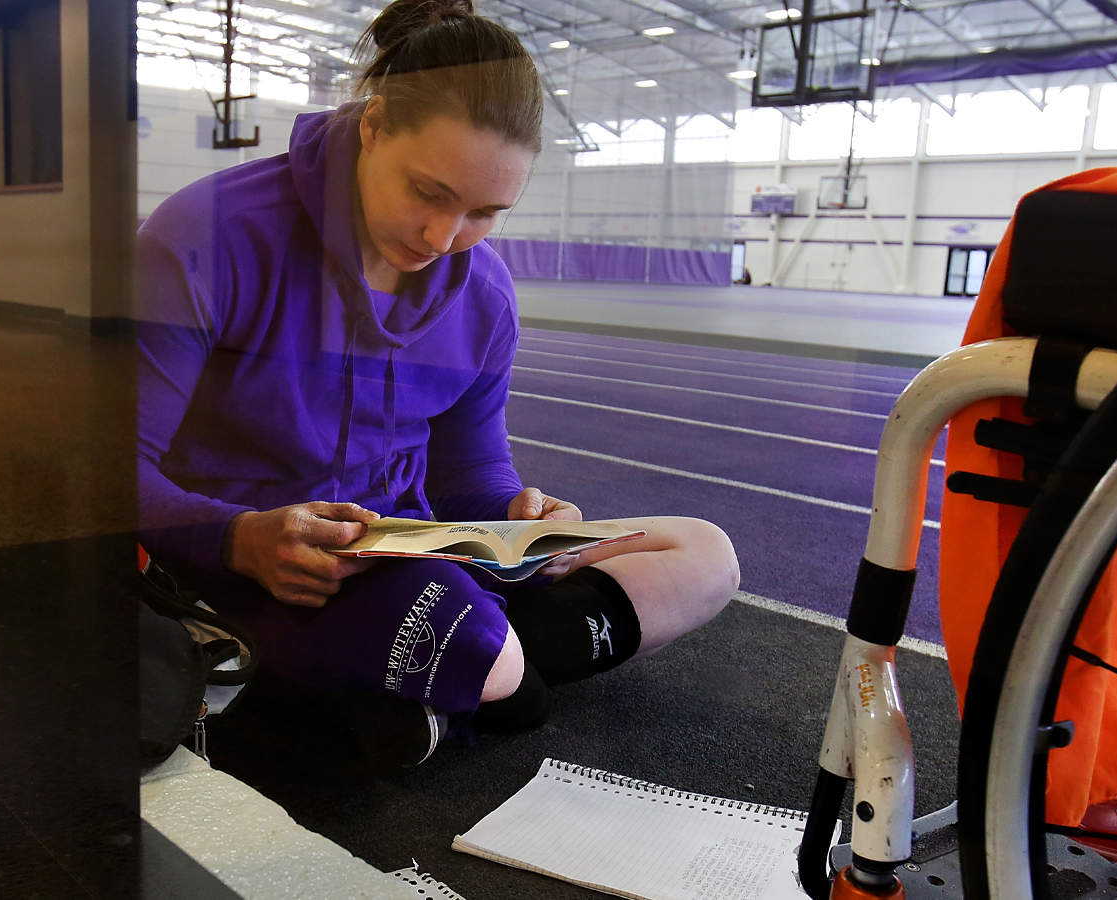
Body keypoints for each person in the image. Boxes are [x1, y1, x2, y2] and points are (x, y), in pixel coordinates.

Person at [136, 0, 738, 770]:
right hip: (259, 572)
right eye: (427, 191)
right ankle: (467, 670)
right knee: (499, 666)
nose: (443, 239)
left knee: (704, 554)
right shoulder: (209, 236)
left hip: (412, 552)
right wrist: (240, 539)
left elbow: (471, 474)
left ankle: (424, 693)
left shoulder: (482, 294)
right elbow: (109, 471)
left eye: (486, 213)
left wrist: (524, 519)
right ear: (373, 125)